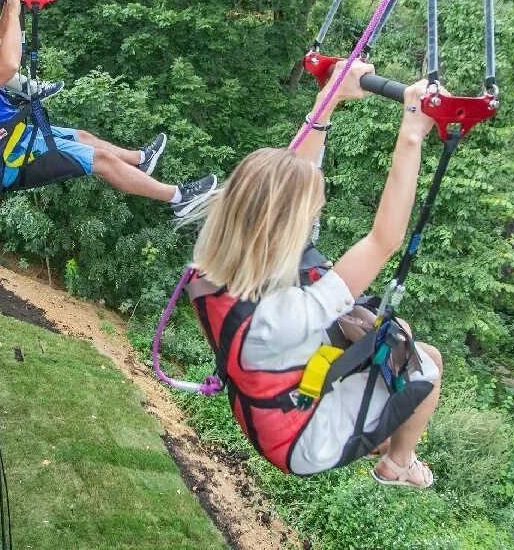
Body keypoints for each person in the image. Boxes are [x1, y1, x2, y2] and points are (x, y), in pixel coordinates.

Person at [183, 60, 443, 485]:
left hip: (267, 389)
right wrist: (411, 135)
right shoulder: (281, 316)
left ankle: (384, 439)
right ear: (286, 229)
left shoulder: (216, 260)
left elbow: (283, 183)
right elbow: (383, 240)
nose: (313, 220)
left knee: (398, 334)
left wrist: (327, 102)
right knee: (426, 365)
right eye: (311, 214)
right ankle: (398, 461)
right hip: (300, 439)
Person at [0, 0, 216, 212]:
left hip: (21, 138)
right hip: (12, 159)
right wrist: (14, 12)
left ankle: (140, 159)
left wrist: (9, 5)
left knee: (85, 136)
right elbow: (9, 65)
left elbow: (0, 37)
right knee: (102, 160)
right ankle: (180, 198)